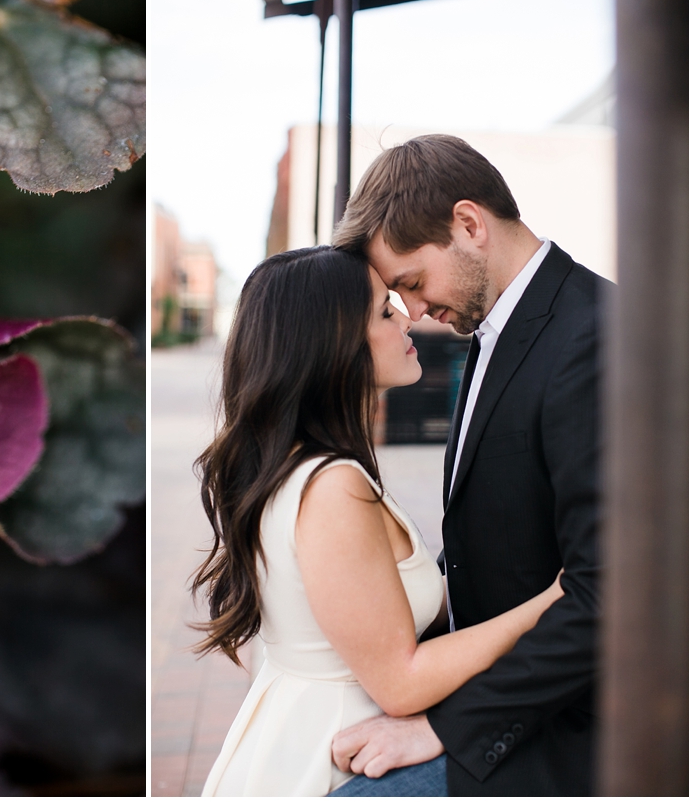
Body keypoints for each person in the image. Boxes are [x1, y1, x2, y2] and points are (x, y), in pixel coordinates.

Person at [193, 245, 564, 796]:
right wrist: (556, 598)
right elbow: (401, 682)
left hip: (314, 733)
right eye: (384, 312)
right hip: (341, 761)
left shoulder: (296, 464)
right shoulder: (330, 486)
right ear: (334, 345)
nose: (408, 318)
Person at [328, 134, 608, 796]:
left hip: (565, 732)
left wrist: (452, 724)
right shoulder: (491, 330)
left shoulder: (595, 336)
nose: (416, 311)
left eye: (414, 284)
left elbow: (612, 593)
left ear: (469, 224)